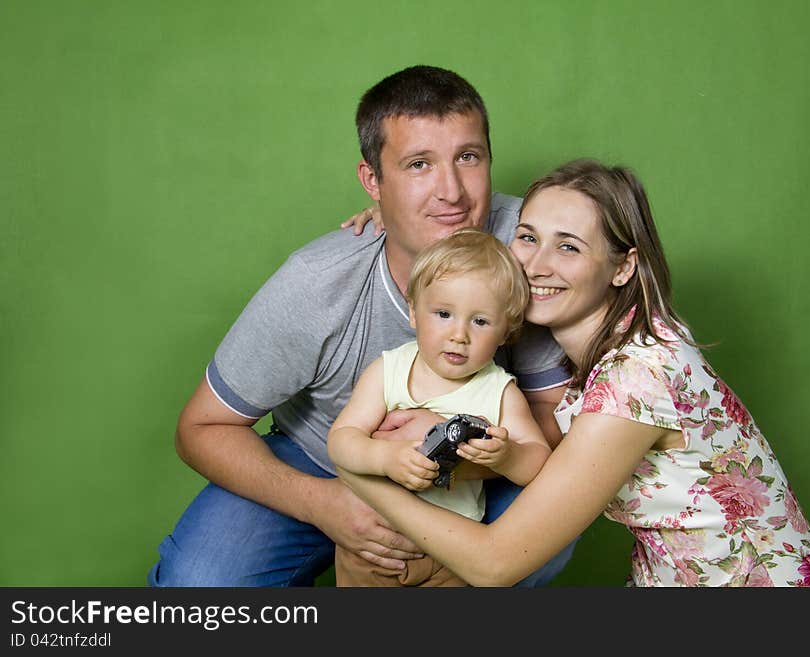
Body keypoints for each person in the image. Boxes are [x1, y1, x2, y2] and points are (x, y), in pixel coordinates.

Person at [148, 65, 576, 587]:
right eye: (419, 164)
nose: (452, 193)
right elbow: (199, 429)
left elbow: (559, 417)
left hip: (476, 468)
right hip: (321, 458)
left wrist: (451, 454)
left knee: (552, 522)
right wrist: (325, 504)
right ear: (373, 181)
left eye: (468, 157)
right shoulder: (316, 285)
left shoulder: (528, 247)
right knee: (200, 583)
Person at [336, 158, 810, 587]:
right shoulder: (641, 334)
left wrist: (363, 473)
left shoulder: (637, 379)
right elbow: (476, 254)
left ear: (623, 267)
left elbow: (495, 564)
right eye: (528, 238)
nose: (536, 265)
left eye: (569, 247)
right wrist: (396, 216)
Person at [329, 229, 551, 586]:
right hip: (374, 544)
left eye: (480, 321)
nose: (458, 335)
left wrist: (507, 456)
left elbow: (538, 460)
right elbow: (340, 440)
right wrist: (385, 458)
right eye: (443, 313)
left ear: (506, 331)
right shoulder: (389, 371)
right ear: (413, 311)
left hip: (454, 553)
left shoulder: (500, 392)